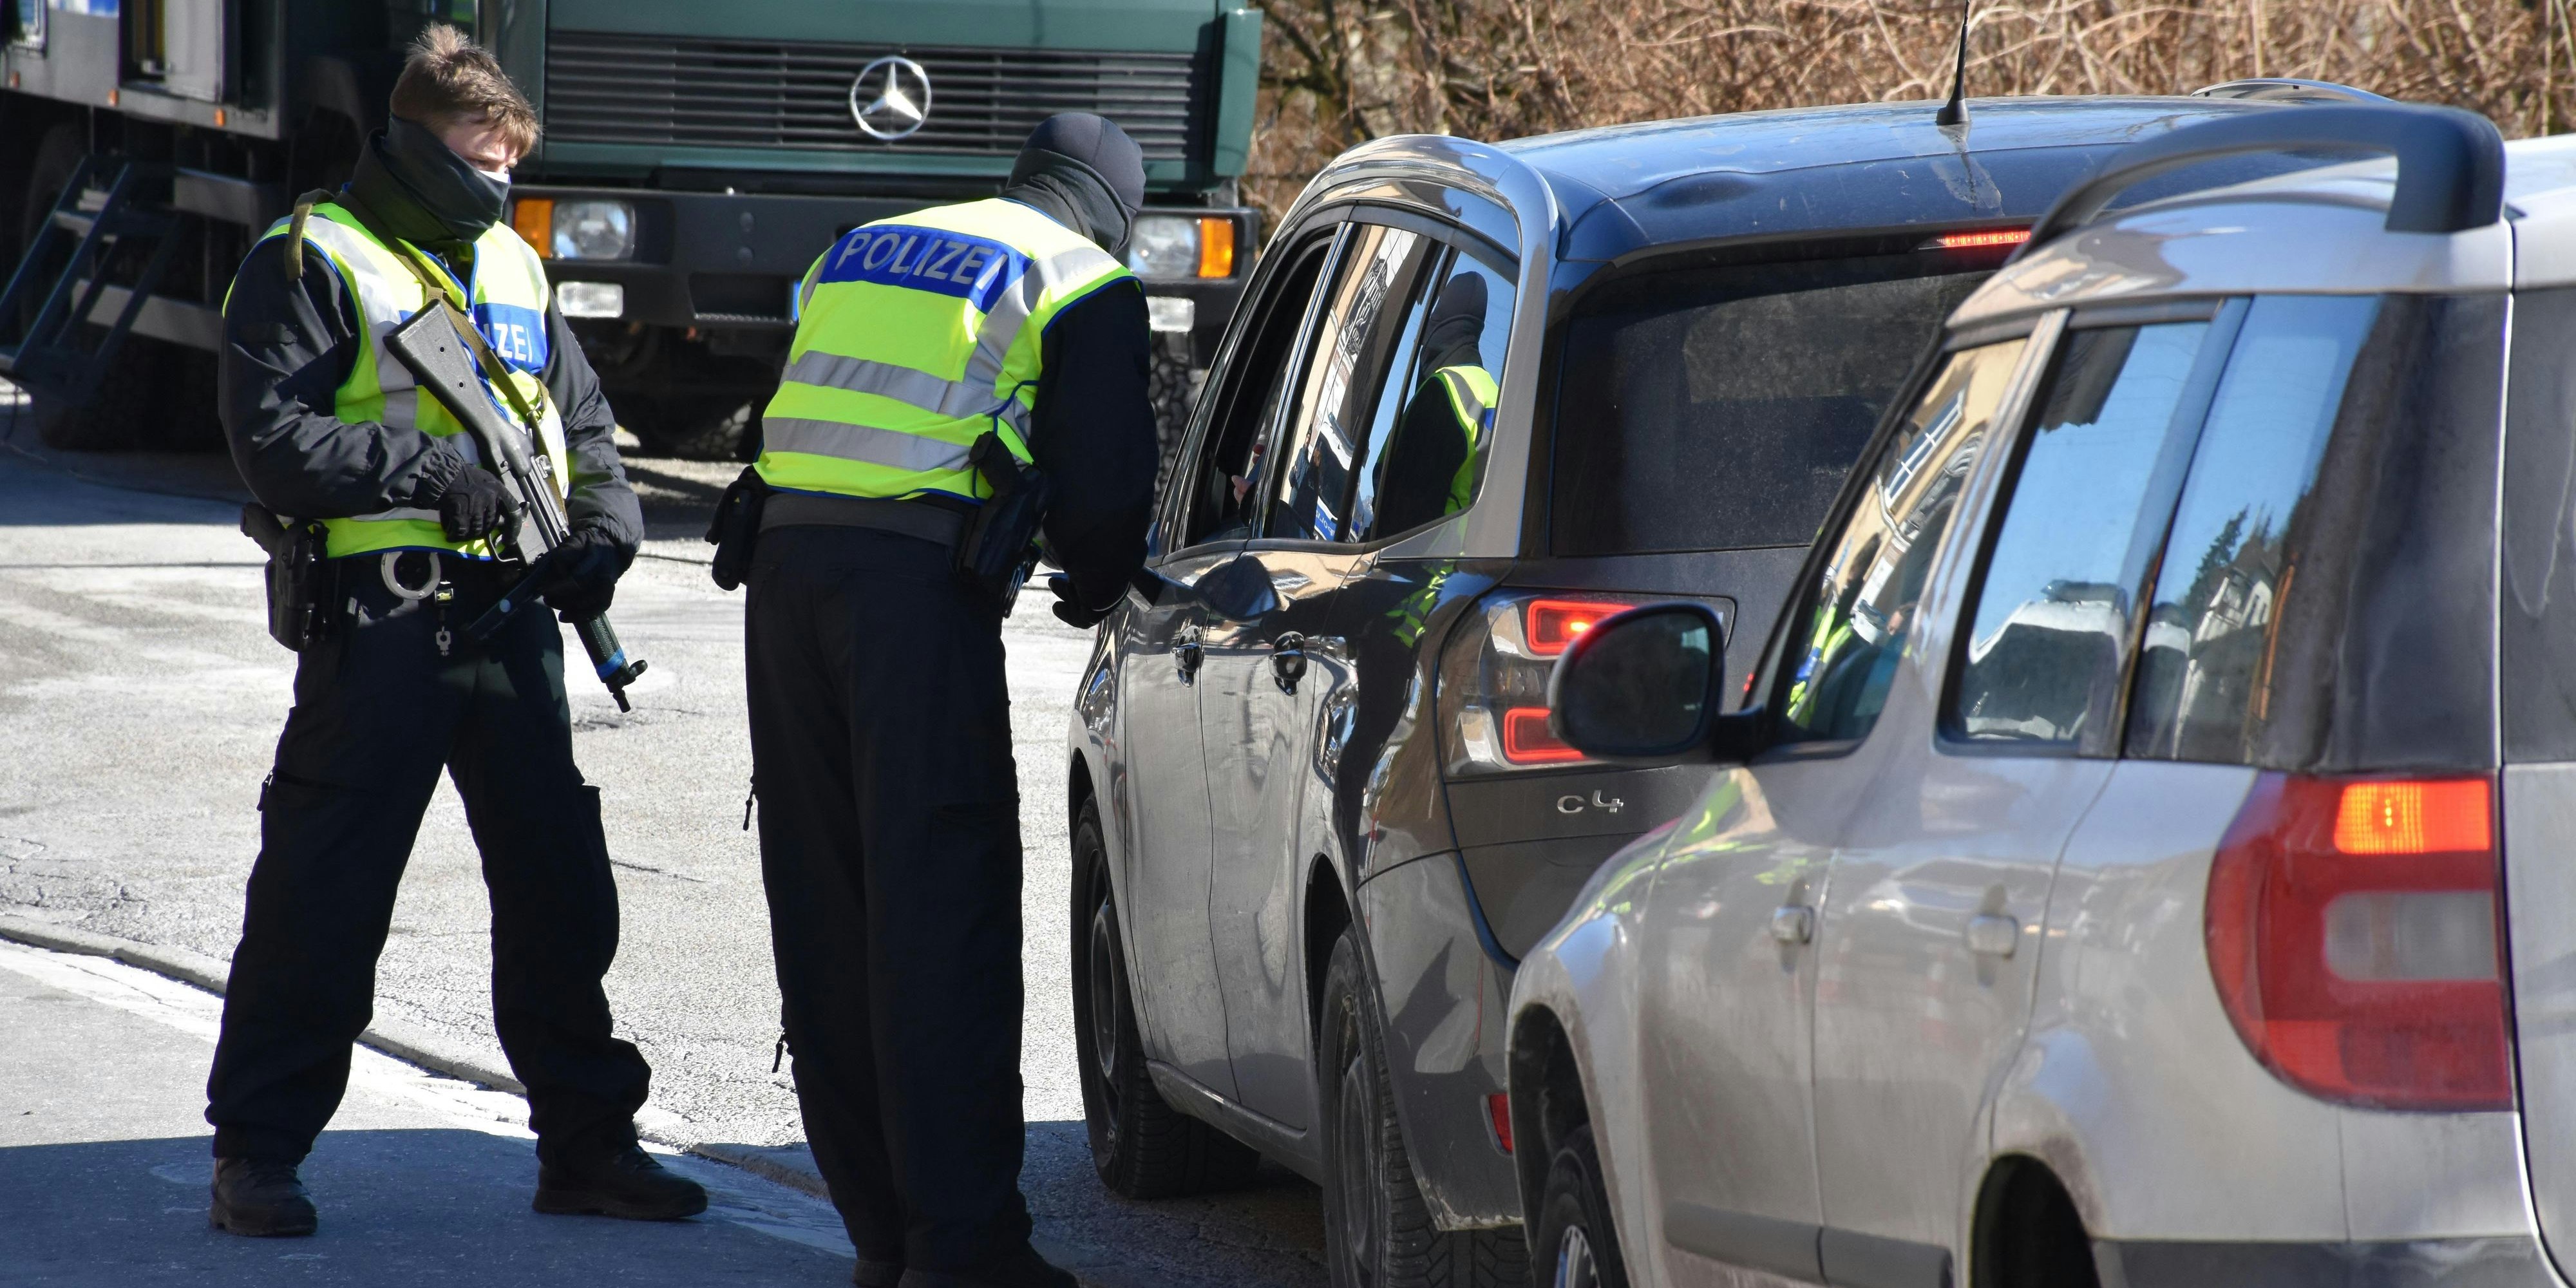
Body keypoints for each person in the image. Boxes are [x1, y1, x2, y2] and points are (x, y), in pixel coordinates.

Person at [203, 24, 702, 1236]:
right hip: (380, 623)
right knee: (325, 894)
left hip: (514, 620)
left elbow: (582, 431)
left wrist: (605, 537)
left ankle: (586, 1147)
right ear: (423, 147)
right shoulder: (313, 257)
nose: (505, 184)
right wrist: (422, 468)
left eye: (513, 163)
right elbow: (270, 439)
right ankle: (257, 1156)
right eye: (488, 159)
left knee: (560, 893)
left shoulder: (515, 267)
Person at [739, 113, 1158, 1287]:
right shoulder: (1079, 277)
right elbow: (1108, 490)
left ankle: (886, 1240)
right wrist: (1103, 572)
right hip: (910, 608)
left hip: (784, 583)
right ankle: (964, 1251)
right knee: (944, 912)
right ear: (1111, 205)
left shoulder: (867, 243)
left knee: (829, 908)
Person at [1370, 272, 1497, 538]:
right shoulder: (1495, 394)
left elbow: (1401, 514)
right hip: (1470, 571)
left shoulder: (1444, 391)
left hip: (1422, 572)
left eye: (1436, 313)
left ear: (1444, 320)